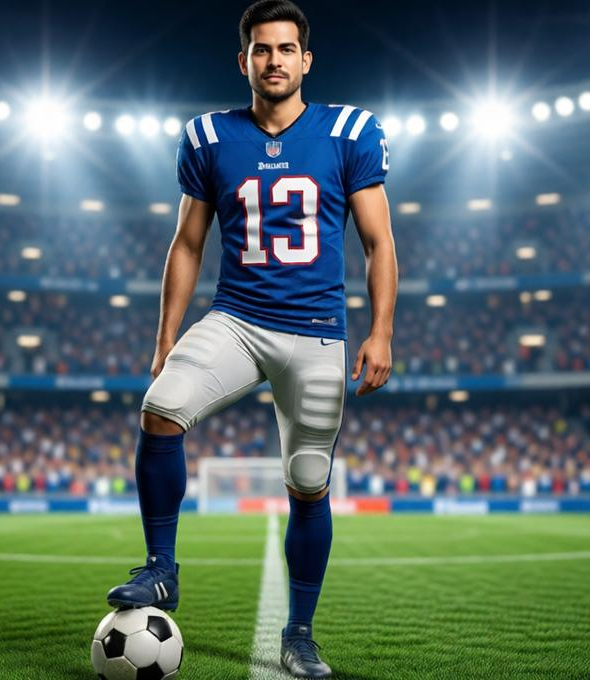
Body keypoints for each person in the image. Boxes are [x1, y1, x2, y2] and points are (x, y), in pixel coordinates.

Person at [106, 1, 397, 676]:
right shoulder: (209, 137)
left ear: (306, 60)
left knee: (308, 481)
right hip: (236, 318)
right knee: (162, 406)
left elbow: (381, 244)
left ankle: (299, 634)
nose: (274, 61)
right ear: (244, 61)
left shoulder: (349, 131)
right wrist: (165, 338)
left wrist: (381, 331)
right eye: (261, 50)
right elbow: (187, 243)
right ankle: (159, 569)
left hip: (318, 330)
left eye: (285, 49)